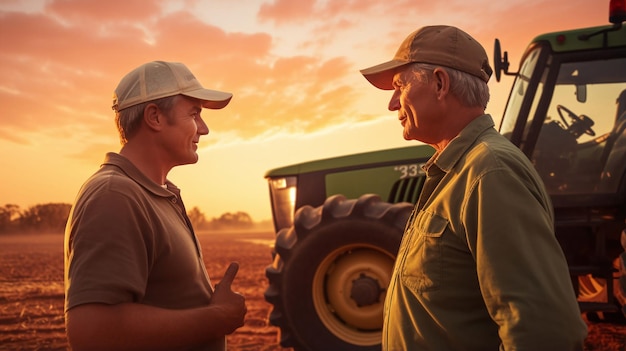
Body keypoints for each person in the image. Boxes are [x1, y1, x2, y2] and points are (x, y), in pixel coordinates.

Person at [360, 26, 588, 351]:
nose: (392, 103)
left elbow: (543, 332)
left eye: (400, 86)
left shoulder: (490, 172)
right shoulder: (456, 169)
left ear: (440, 84)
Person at [64, 61, 247, 351]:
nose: (205, 129)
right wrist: (218, 318)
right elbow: (92, 332)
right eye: (194, 114)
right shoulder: (115, 196)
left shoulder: (156, 193)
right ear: (155, 117)